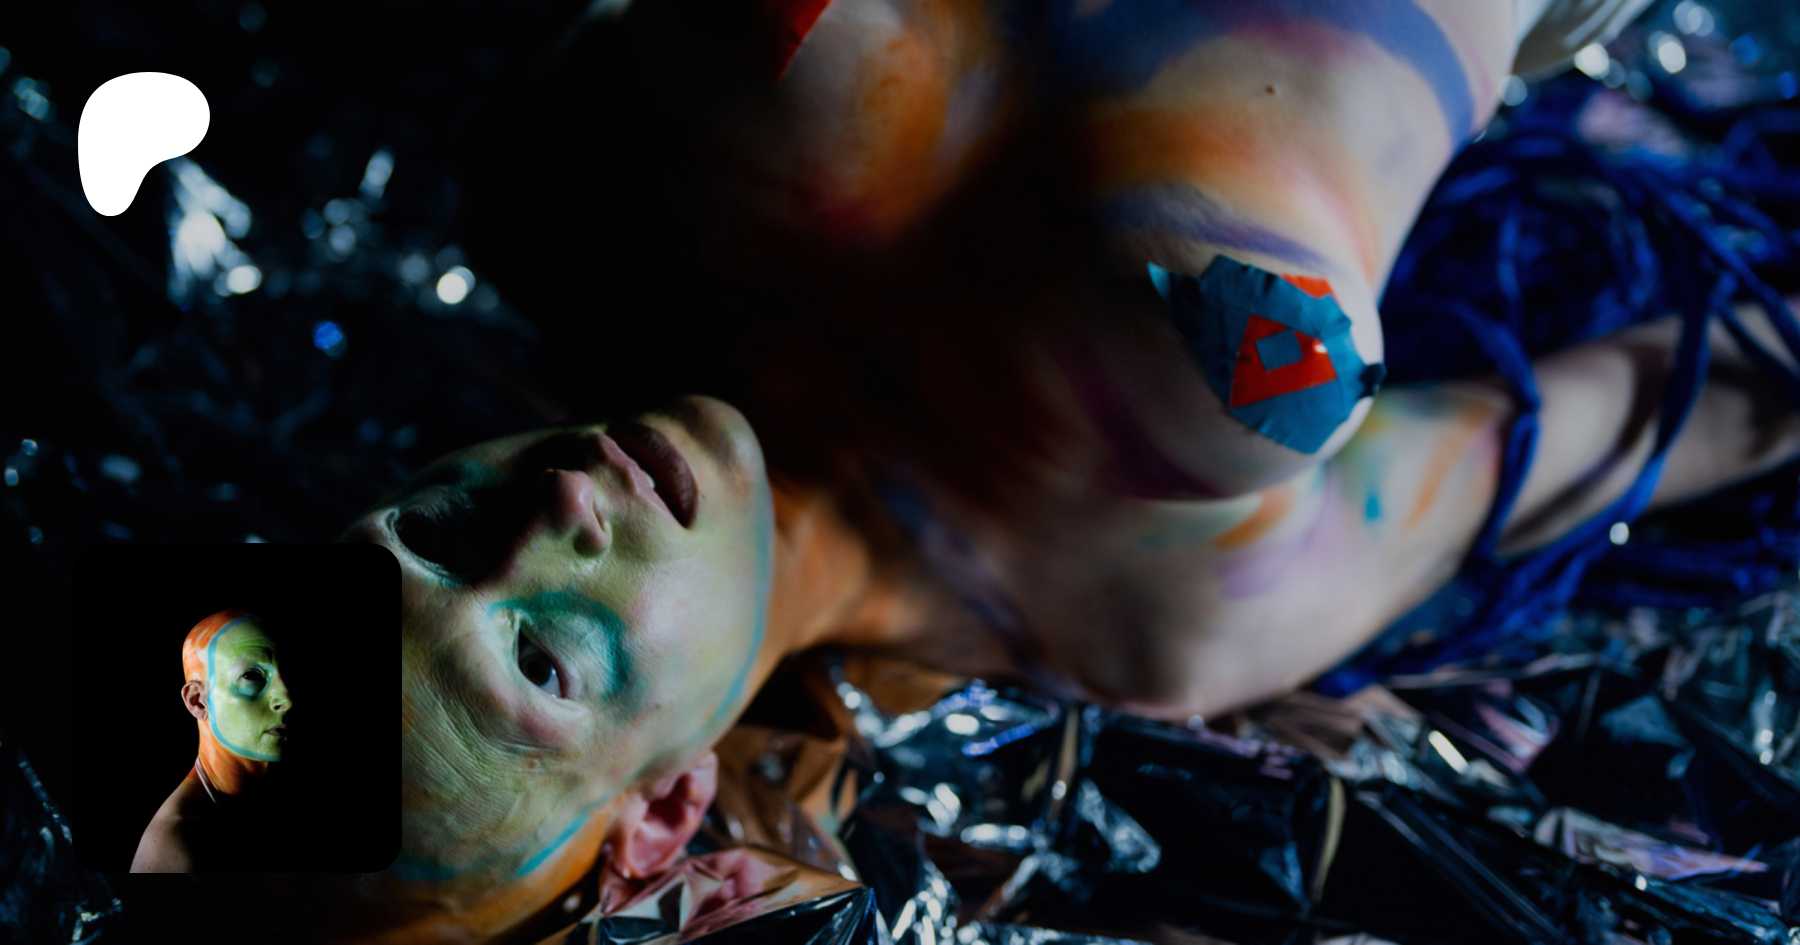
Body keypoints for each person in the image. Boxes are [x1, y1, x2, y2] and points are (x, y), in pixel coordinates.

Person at [267, 0, 1800, 940]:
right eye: (540, 654)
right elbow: (1680, 399)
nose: (548, 513)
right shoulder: (1165, 612)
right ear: (665, 809)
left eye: (440, 531)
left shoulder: (567, 199)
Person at [131, 609, 297, 872]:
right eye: (252, 676)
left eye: (290, 672)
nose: (287, 698)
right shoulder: (174, 845)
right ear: (198, 701)